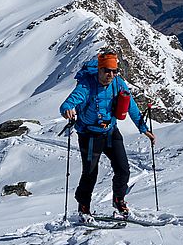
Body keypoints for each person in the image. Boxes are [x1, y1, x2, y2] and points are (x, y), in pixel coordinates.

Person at [60, 49, 155, 217]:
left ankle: (119, 199)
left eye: (114, 71)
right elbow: (69, 102)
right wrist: (66, 109)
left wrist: (144, 129)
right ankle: (83, 206)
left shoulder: (118, 84)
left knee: (123, 168)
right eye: (107, 71)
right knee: (90, 173)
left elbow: (131, 106)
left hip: (110, 131)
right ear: (99, 70)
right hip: (89, 135)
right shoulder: (86, 85)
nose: (110, 74)